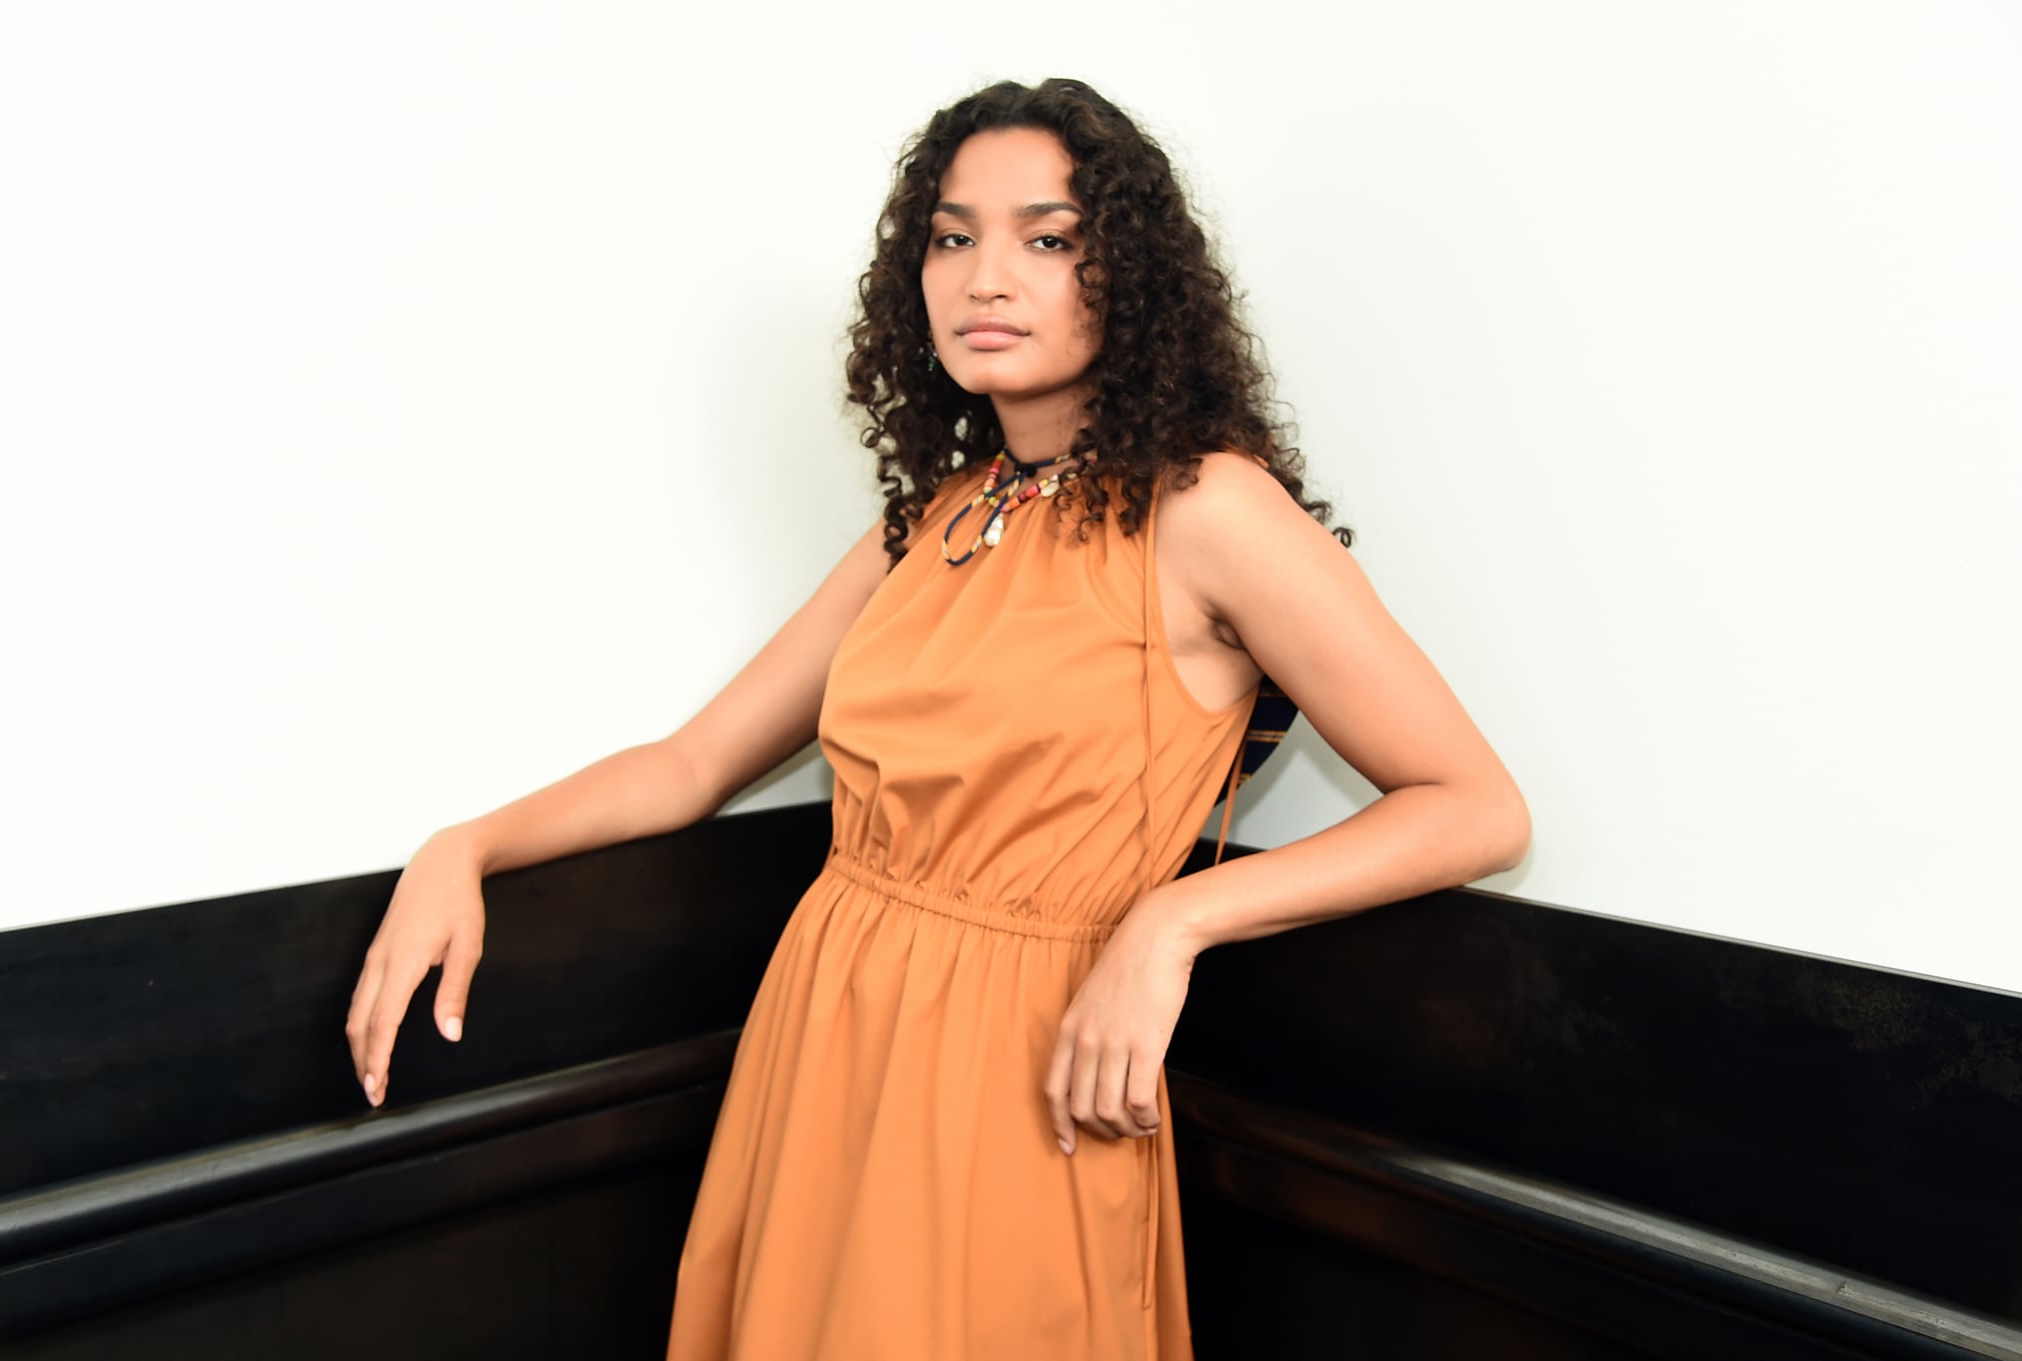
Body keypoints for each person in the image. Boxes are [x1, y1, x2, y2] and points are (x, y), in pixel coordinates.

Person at [344, 76, 1530, 1361]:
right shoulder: (939, 514)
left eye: (1047, 236)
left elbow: (1474, 805)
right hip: (824, 1040)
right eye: (952, 237)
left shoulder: (1208, 509)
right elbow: (692, 764)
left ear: (1125, 270)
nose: (985, 278)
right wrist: (465, 843)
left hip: (1021, 1074)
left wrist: (1173, 918)